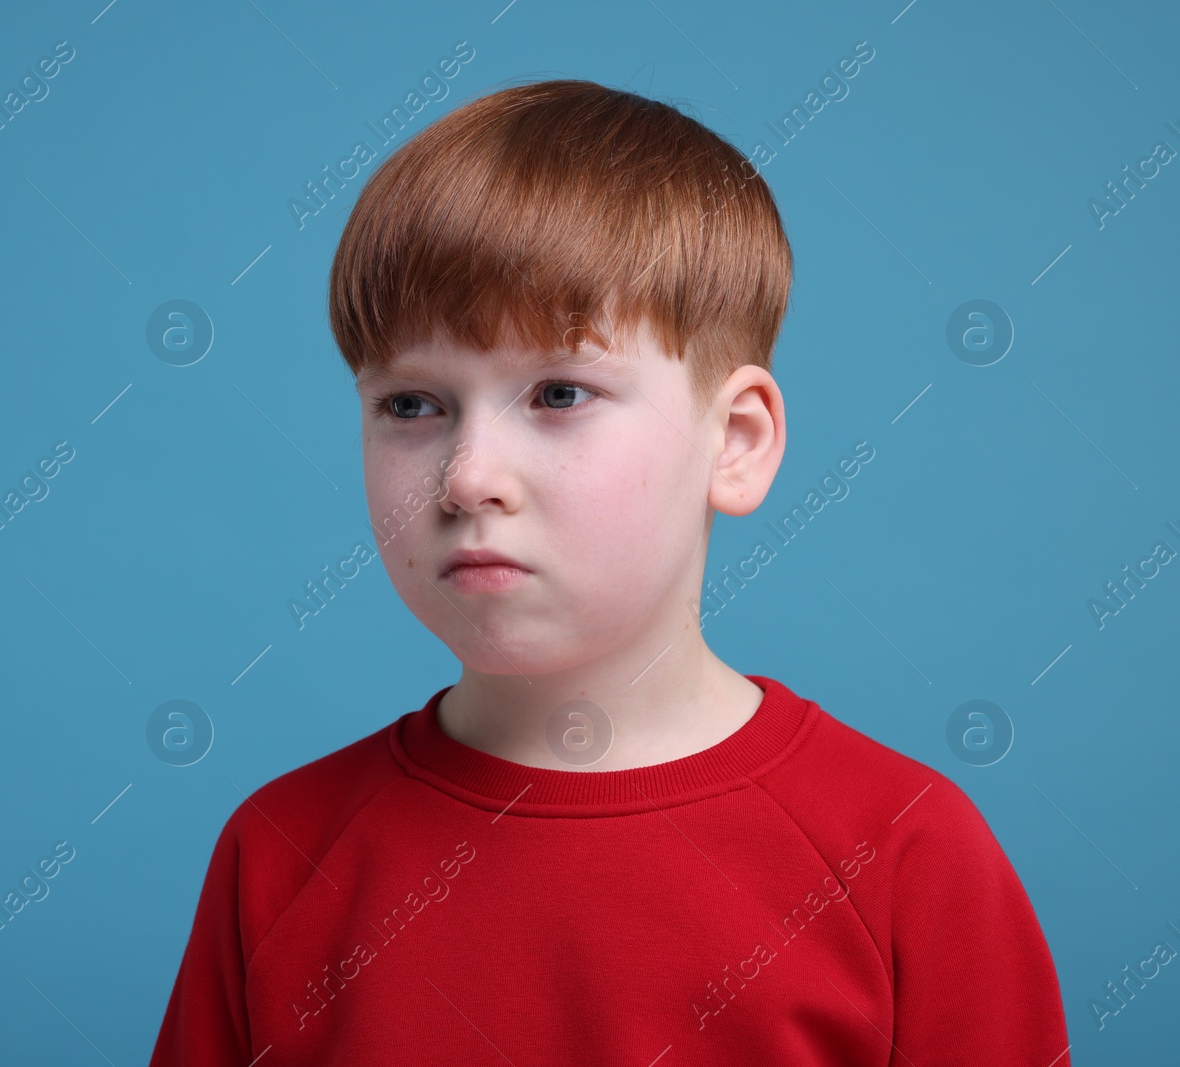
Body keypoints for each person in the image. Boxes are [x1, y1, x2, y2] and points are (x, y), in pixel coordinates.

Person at [149, 79, 1071, 1065]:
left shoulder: (904, 855)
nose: (467, 479)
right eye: (411, 405)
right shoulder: (280, 853)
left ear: (736, 440)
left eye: (557, 392)